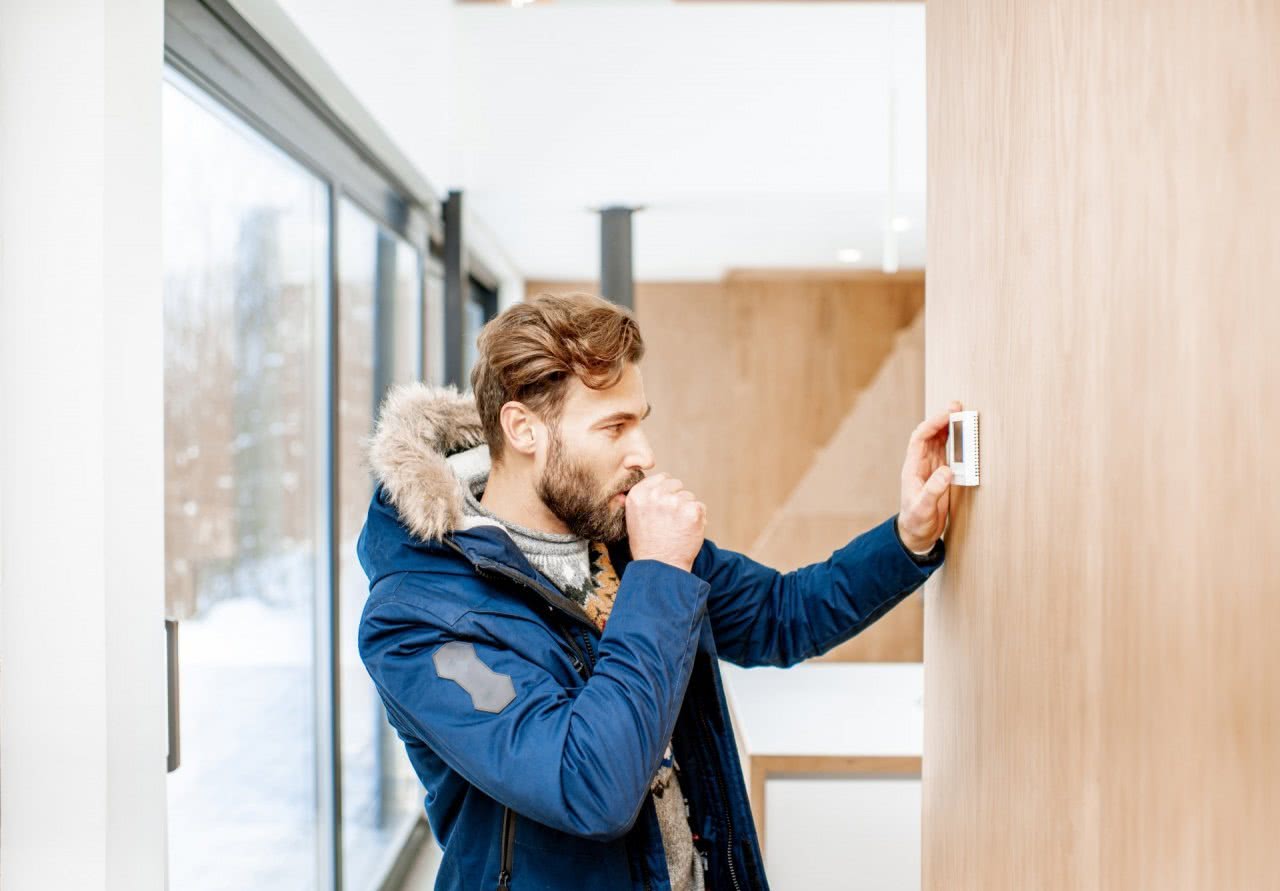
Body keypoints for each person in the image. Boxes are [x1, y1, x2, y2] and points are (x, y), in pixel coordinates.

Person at [356, 291, 957, 891]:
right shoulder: (420, 622)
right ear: (523, 429)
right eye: (614, 427)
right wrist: (661, 575)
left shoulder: (620, 537)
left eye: (640, 421)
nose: (643, 453)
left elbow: (783, 614)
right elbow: (589, 787)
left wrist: (908, 538)